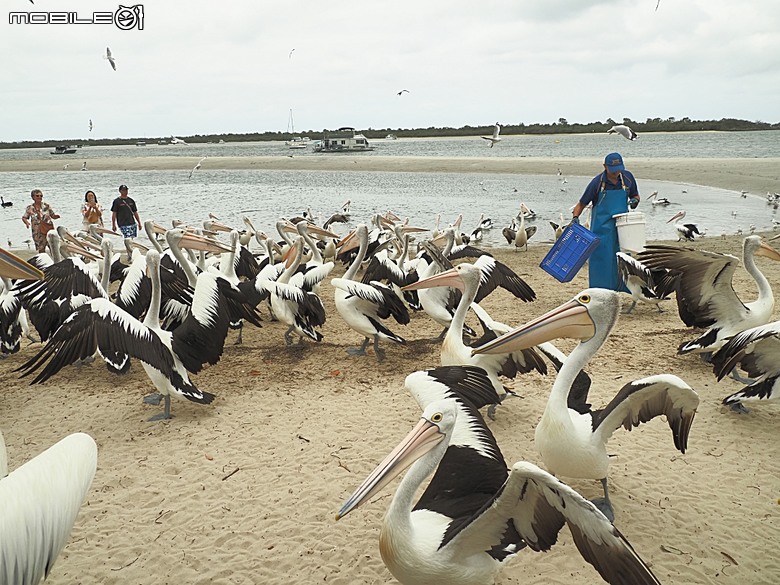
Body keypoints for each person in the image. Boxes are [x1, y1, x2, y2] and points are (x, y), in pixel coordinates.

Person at [571, 153, 640, 290]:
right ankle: (600, 291)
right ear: (605, 167)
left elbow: (635, 195)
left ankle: (623, 289)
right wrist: (575, 218)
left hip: (622, 229)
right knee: (601, 261)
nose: (616, 173)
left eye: (619, 169)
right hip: (601, 230)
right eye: (613, 170)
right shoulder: (597, 183)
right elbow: (581, 204)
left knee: (622, 260)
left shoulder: (627, 178)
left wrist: (634, 201)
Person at [21, 189, 61, 253]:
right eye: (37, 196)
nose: (40, 197)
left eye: (41, 196)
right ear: (33, 197)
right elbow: (24, 217)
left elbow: (52, 215)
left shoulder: (46, 206)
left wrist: (56, 216)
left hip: (48, 229)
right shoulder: (30, 208)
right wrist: (27, 223)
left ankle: (55, 260)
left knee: (53, 247)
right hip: (37, 231)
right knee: (41, 248)